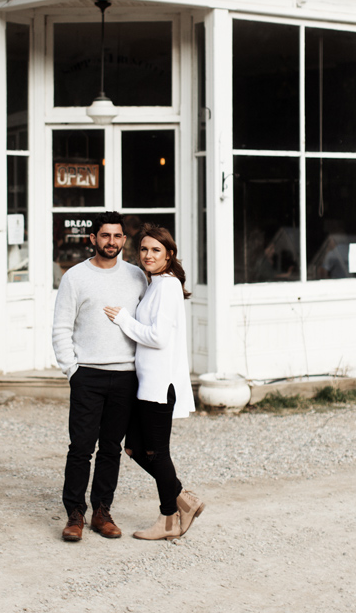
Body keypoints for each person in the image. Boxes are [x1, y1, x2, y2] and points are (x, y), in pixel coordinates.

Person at [52, 211, 148, 542]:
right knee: (81, 447)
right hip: (87, 376)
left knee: (110, 448)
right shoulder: (75, 277)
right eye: (105, 236)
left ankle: (102, 512)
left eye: (117, 236)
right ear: (93, 238)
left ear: (125, 239)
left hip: (125, 376)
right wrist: (72, 370)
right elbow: (61, 327)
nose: (112, 242)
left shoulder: (137, 276)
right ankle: (74, 514)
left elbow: (147, 324)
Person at [105, 224, 204, 541]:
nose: (148, 255)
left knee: (157, 453)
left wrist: (122, 319)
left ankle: (169, 519)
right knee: (133, 447)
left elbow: (159, 338)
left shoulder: (168, 286)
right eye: (144, 249)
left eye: (155, 250)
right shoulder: (157, 284)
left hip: (160, 386)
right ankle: (184, 499)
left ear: (169, 254)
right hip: (145, 384)